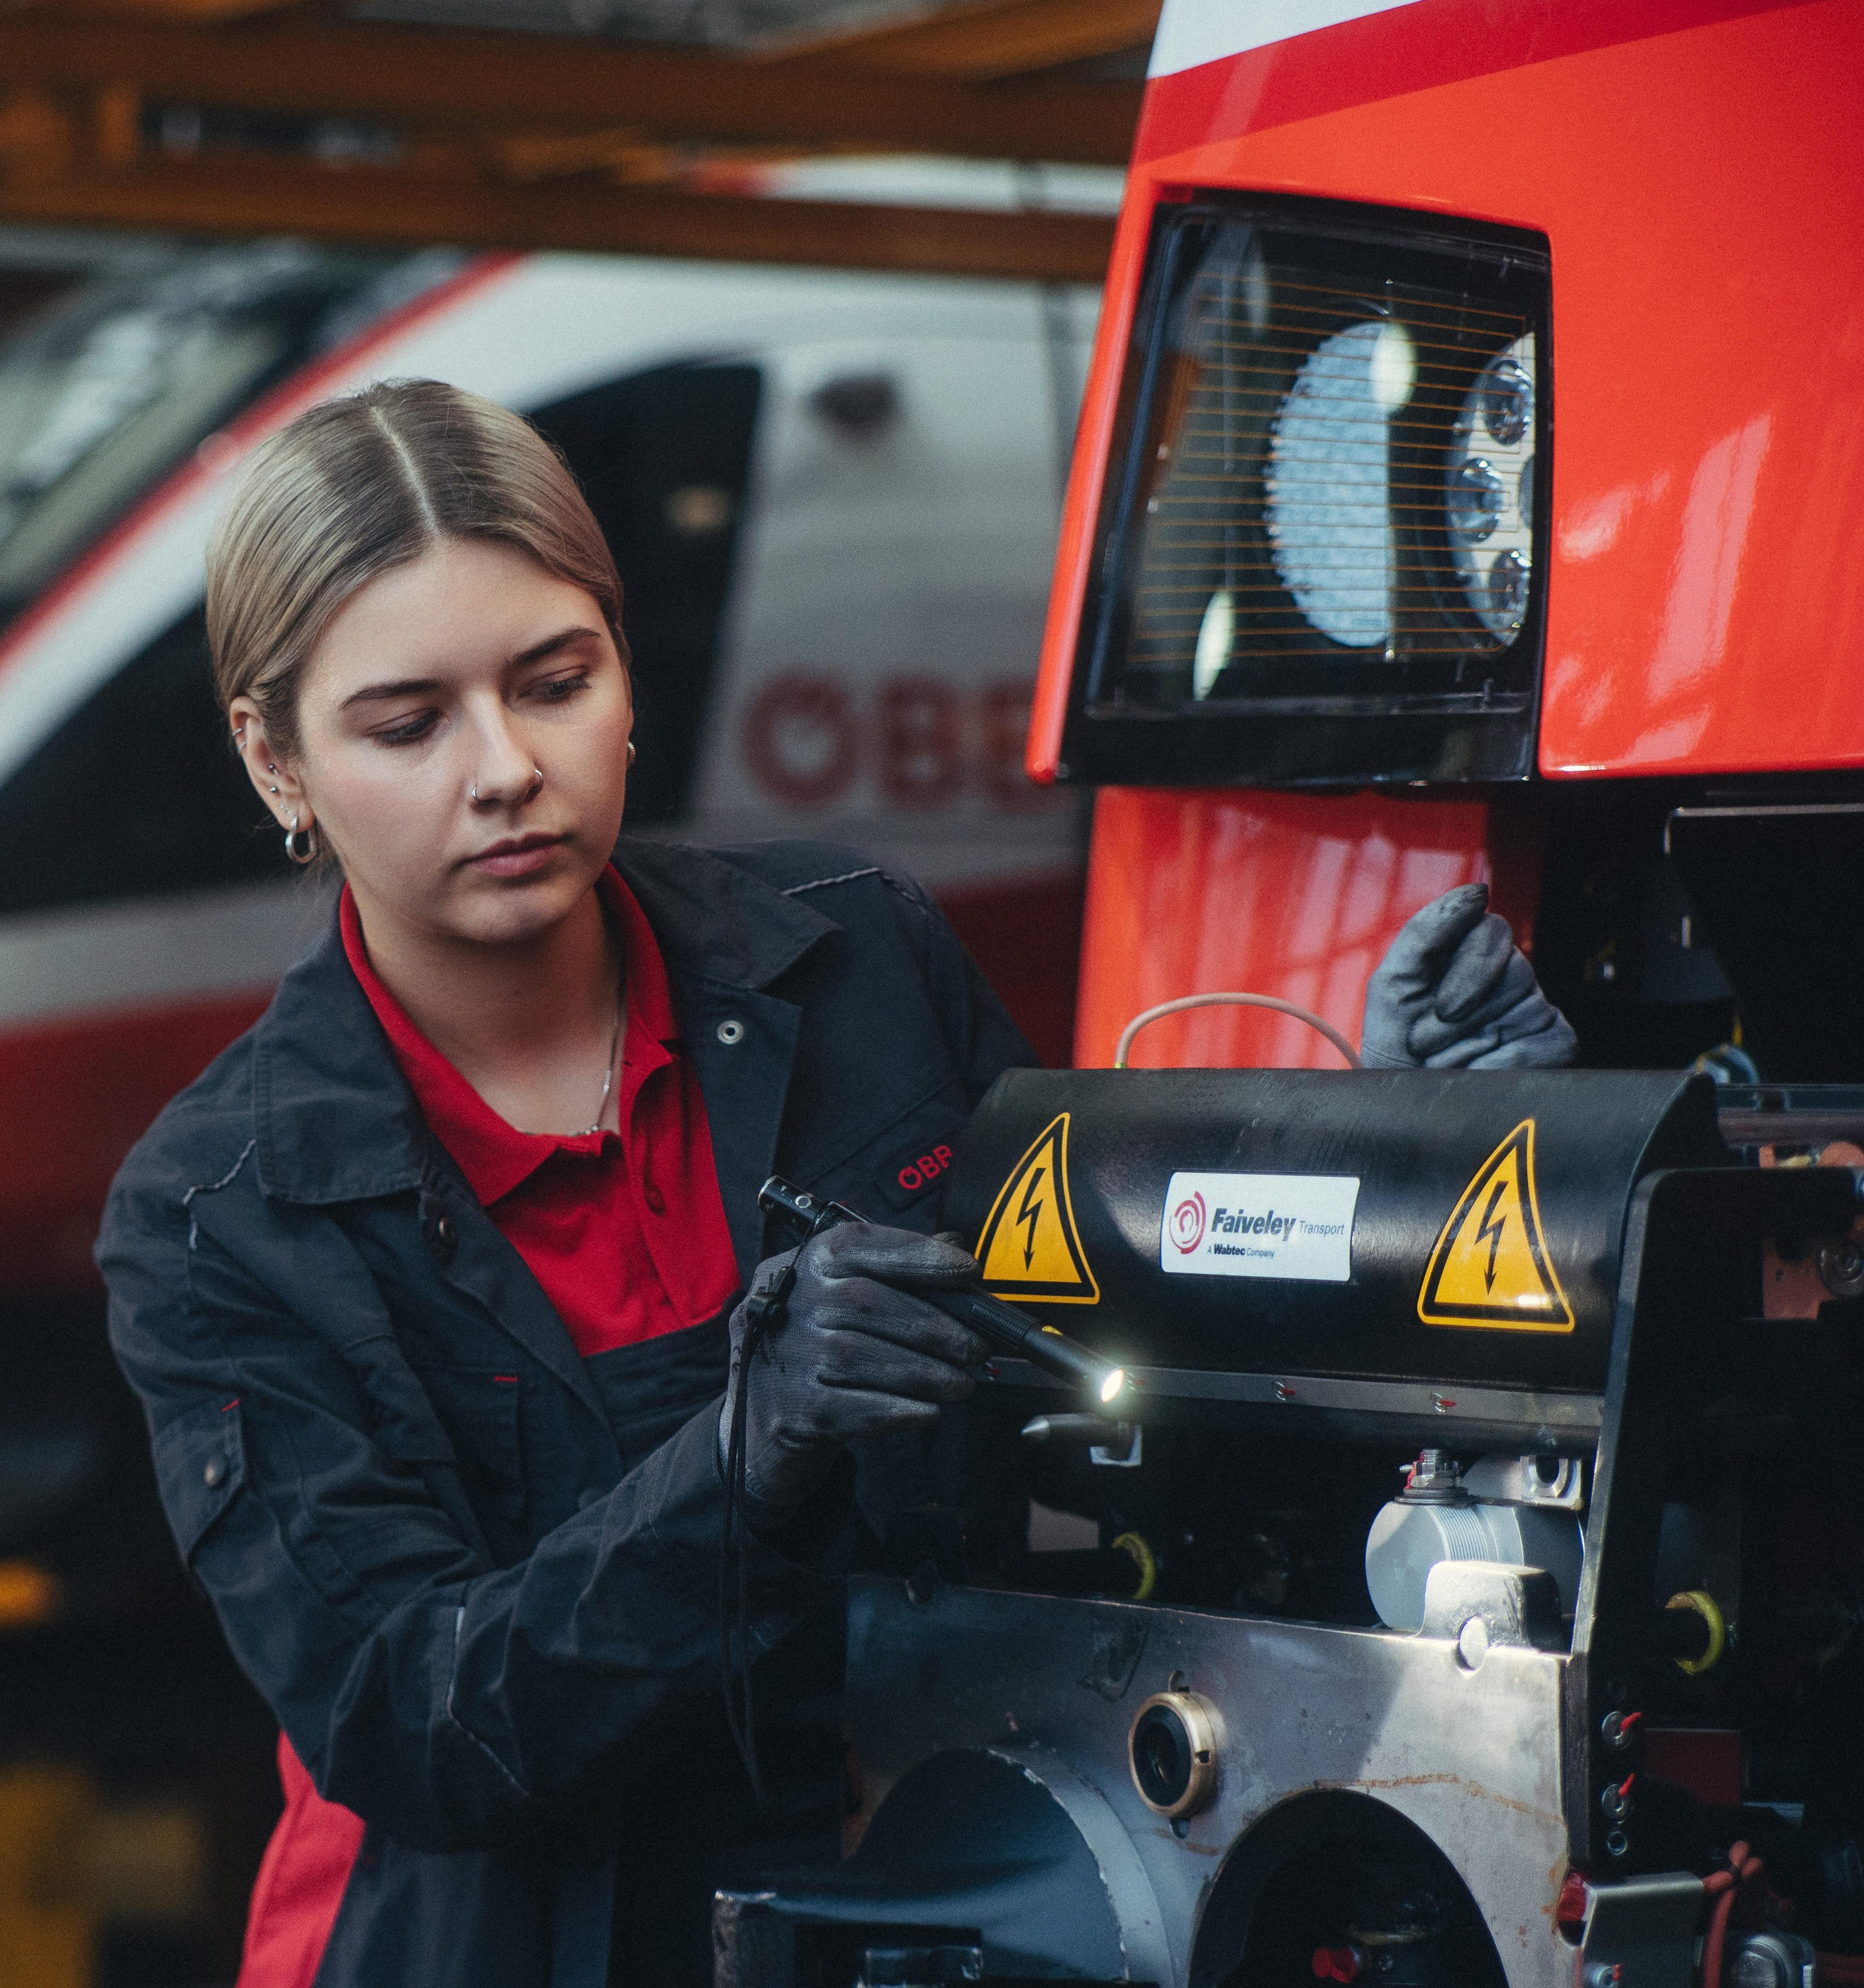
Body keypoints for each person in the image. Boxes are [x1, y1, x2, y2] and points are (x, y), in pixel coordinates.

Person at [94, 379, 1572, 1988]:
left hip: (929, 1887)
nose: (505, 766)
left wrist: (1377, 1150)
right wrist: (742, 1451)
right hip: (497, 1935)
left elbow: (1110, 1382)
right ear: (275, 758)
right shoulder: (221, 1212)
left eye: (556, 679)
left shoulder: (856, 955)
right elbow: (417, 1718)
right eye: (407, 723)